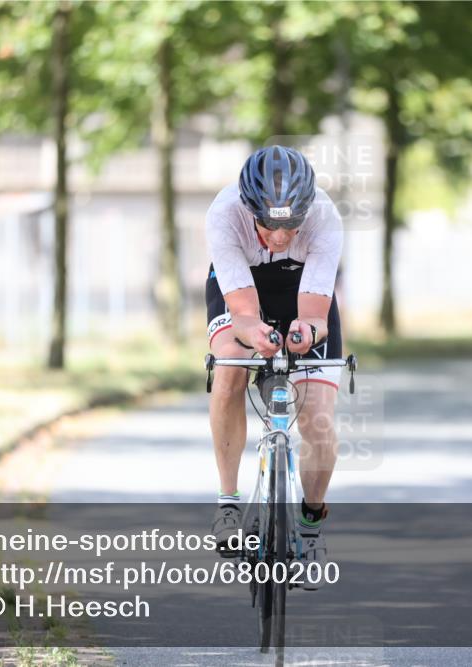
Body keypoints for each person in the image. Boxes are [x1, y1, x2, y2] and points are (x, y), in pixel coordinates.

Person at [204, 145, 344, 589]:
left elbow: (316, 316)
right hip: (244, 289)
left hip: (303, 288)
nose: (281, 236)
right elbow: (243, 312)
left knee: (318, 417)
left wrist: (306, 333)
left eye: (291, 224)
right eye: (269, 224)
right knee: (231, 367)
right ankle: (228, 504)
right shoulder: (224, 213)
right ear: (249, 209)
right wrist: (254, 333)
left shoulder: (324, 216)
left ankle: (311, 525)